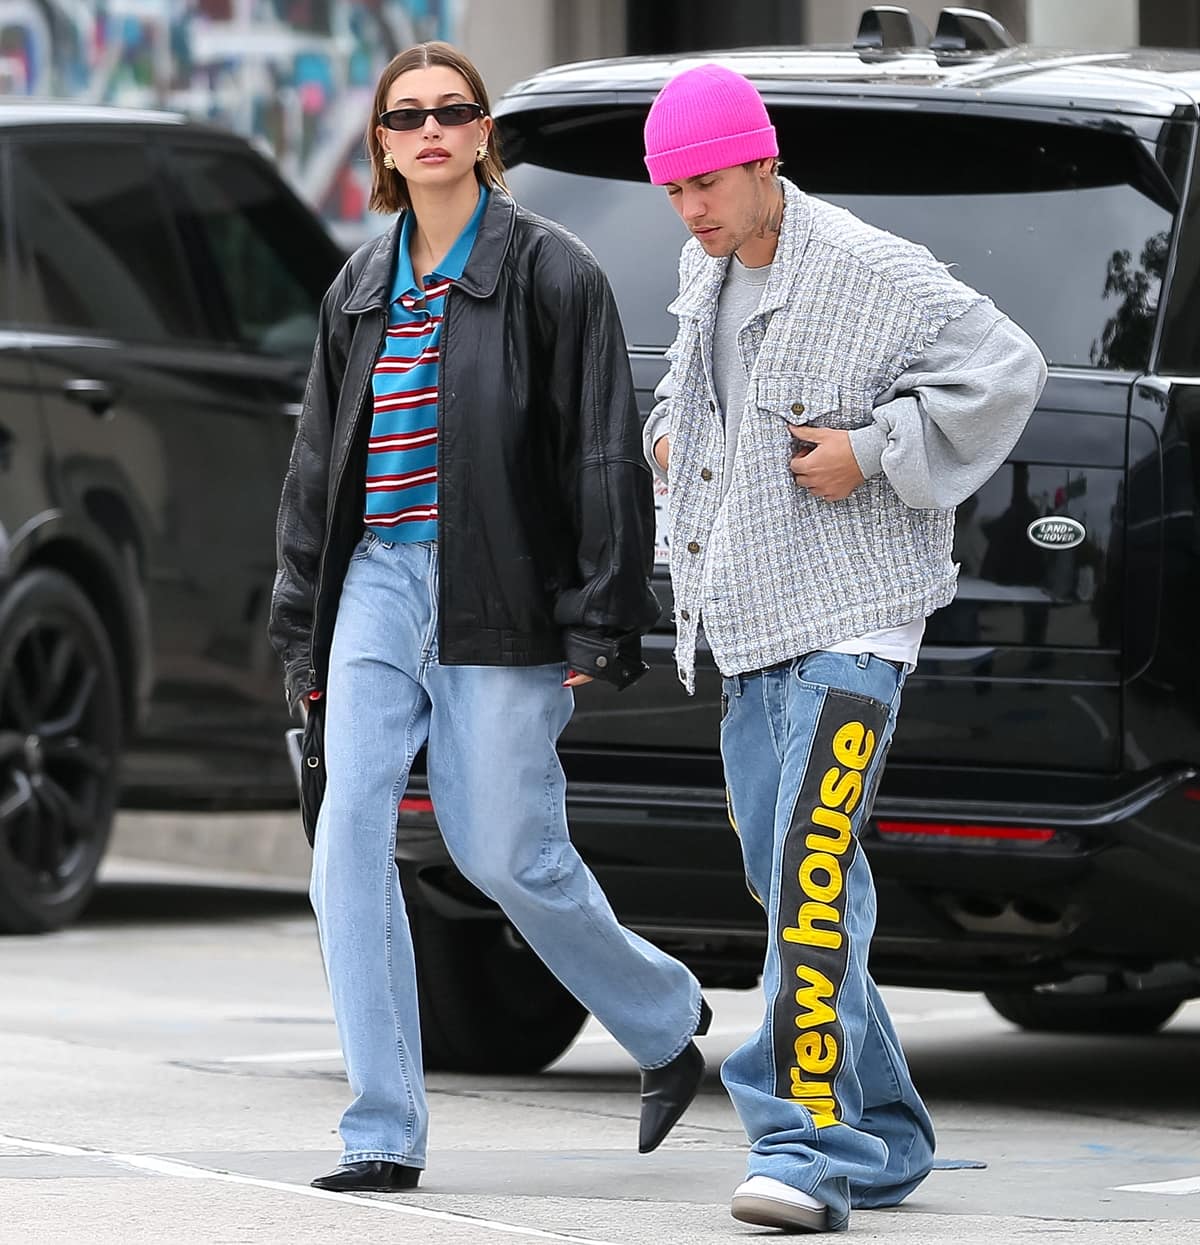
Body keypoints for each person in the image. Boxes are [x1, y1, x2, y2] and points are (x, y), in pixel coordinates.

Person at [269, 41, 709, 1195]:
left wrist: (599, 623)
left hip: (501, 592)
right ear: (380, 143)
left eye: (452, 111)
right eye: (406, 115)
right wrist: (298, 632)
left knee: (502, 848)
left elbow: (604, 452)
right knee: (349, 835)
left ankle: (663, 1021)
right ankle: (382, 1130)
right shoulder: (358, 288)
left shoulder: (553, 274)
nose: (430, 130)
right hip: (376, 584)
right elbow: (319, 469)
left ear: (480, 136)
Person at [641, 64, 1047, 1234]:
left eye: (708, 181)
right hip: (750, 615)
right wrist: (672, 437)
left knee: (812, 883)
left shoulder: (872, 272)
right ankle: (891, 1137)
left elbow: (1007, 370)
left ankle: (809, 1150)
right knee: (791, 885)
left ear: (764, 162)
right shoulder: (704, 266)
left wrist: (873, 449)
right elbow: (688, 394)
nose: (693, 209)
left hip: (856, 621)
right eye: (673, 190)